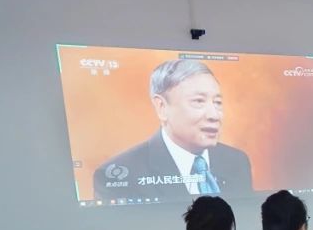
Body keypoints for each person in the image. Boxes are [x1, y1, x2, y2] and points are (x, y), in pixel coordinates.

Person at [94, 59, 253, 202]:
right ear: (162, 107)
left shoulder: (237, 161)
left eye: (217, 102)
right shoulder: (121, 174)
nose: (214, 115)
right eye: (198, 101)